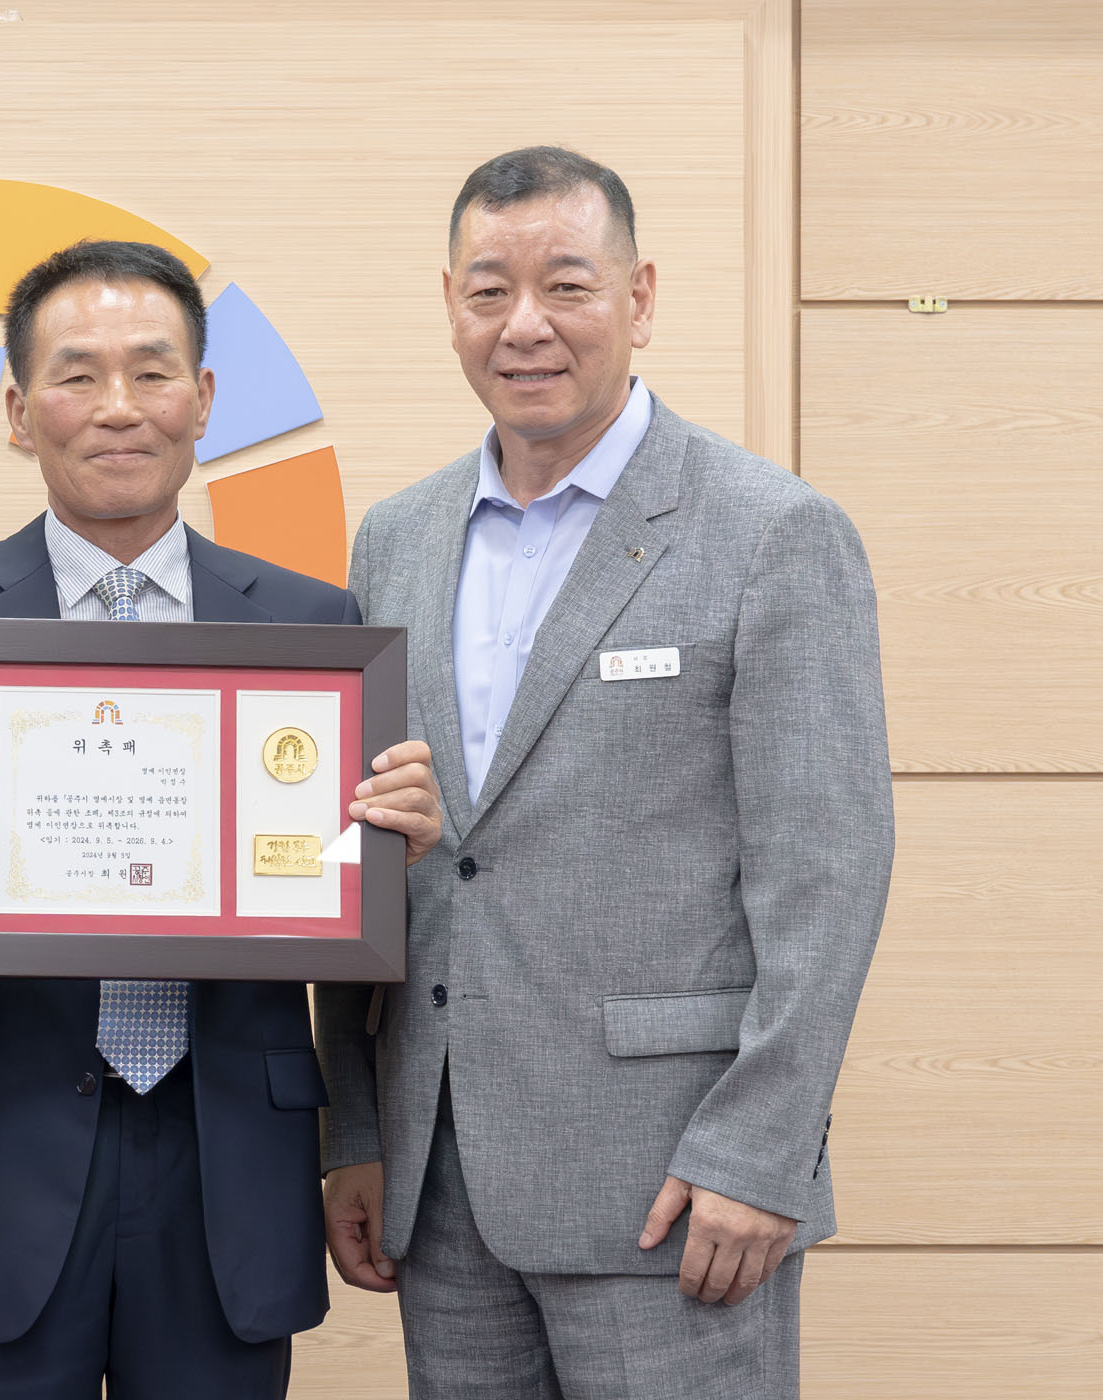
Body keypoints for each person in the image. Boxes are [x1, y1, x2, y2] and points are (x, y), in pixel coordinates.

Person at [317, 147, 895, 1398]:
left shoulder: (772, 532)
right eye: (489, 291)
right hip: (442, 1178)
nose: (525, 324)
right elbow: (370, 850)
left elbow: (827, 873)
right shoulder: (397, 538)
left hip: (677, 1184)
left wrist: (761, 1151)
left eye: (567, 285)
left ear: (640, 297)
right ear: (452, 306)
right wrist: (353, 1125)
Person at [0, 240, 444, 1399]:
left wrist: (391, 849)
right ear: (19, 411)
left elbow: (339, 914)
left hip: (229, 1164)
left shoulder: (317, 627)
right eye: (77, 374)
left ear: (203, 399)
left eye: (152, 371)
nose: (118, 405)